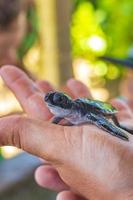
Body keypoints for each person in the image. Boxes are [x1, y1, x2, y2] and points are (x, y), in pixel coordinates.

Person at [1, 65, 133, 200]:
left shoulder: (83, 112)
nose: (52, 102)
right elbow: (53, 124)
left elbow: (101, 120)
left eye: (58, 100)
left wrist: (119, 133)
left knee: (111, 121)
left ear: (68, 103)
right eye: (50, 102)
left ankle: (120, 128)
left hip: (97, 109)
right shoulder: (61, 116)